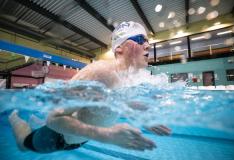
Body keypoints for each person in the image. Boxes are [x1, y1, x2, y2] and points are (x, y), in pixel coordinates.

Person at [9, 21, 171, 153]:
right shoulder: (101, 72)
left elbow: (112, 101)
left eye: (148, 41)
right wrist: (106, 135)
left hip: (81, 137)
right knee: (23, 144)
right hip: (58, 137)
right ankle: (14, 118)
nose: (148, 46)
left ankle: (31, 120)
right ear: (119, 48)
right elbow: (53, 119)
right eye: (140, 40)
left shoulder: (127, 78)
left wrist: (142, 117)